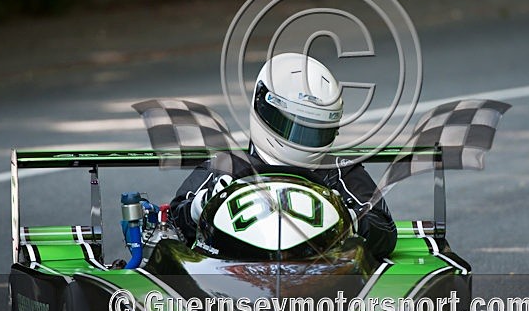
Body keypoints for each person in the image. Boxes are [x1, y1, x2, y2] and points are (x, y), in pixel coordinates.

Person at [170, 53, 397, 260]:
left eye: (315, 130)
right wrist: (200, 207)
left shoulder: (338, 171)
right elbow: (172, 223)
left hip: (321, 284)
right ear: (262, 106)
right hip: (233, 279)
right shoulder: (227, 166)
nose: (302, 139)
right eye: (293, 126)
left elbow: (384, 229)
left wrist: (348, 218)